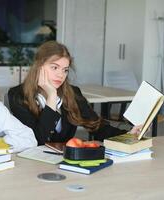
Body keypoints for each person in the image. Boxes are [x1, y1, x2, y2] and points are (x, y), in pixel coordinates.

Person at [8, 41, 142, 145]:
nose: (60, 75)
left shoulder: (73, 93)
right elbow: (38, 140)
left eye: (65, 70)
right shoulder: (18, 95)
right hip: (31, 165)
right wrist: (52, 97)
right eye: (54, 67)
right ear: (39, 67)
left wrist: (127, 135)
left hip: (65, 161)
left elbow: (97, 127)